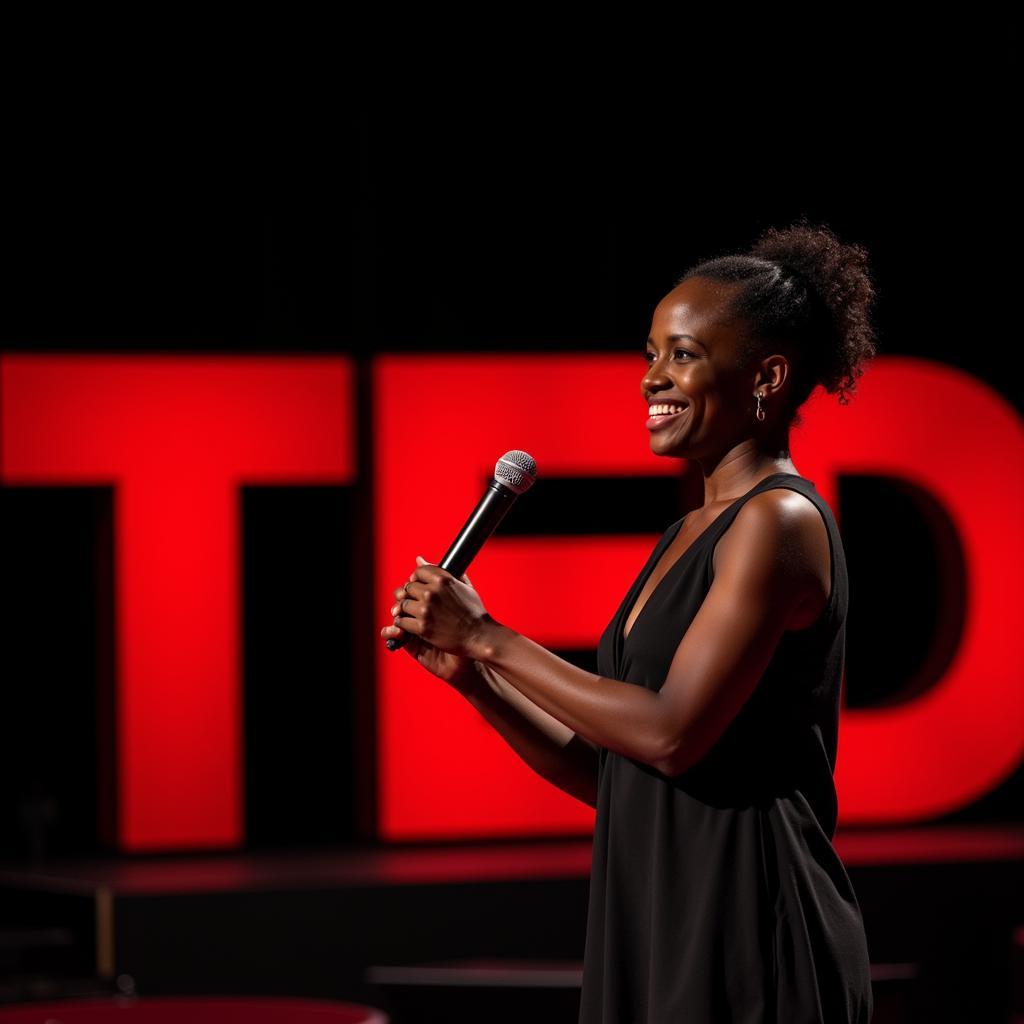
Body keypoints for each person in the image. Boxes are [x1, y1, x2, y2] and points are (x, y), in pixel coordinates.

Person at [380, 219, 877, 1023]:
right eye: (651, 354)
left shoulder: (778, 522)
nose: (652, 378)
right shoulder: (687, 532)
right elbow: (619, 778)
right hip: (660, 912)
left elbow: (670, 735)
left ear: (768, 375)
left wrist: (489, 636)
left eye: (683, 354)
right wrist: (479, 682)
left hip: (752, 920)